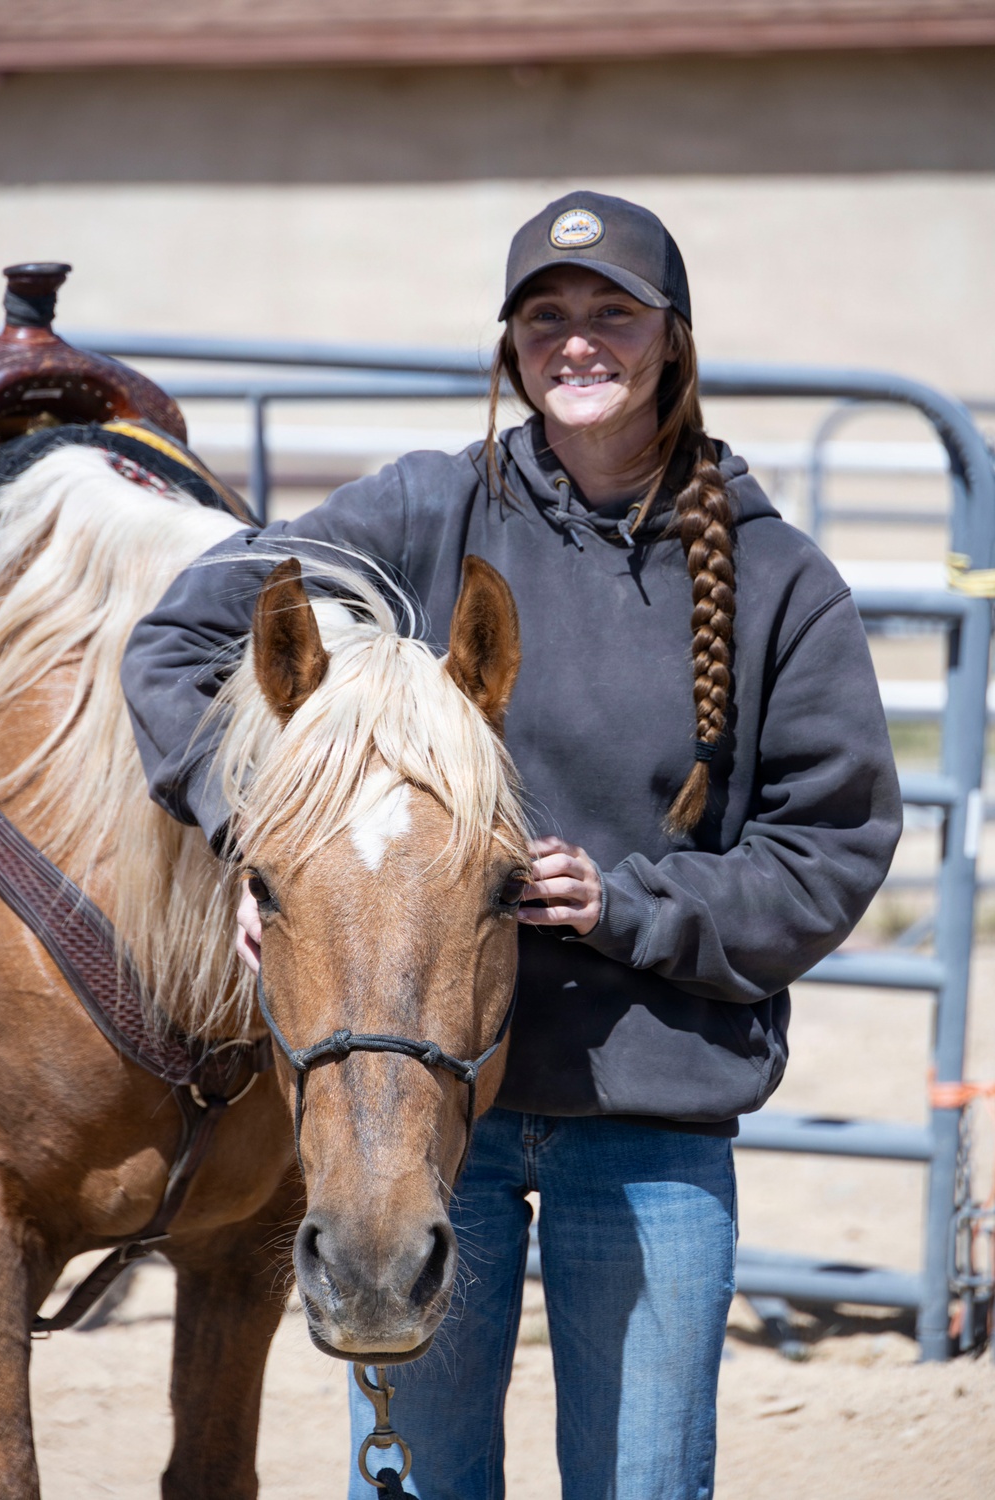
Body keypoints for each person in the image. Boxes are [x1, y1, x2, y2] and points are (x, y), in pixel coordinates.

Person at [121, 192, 902, 1499]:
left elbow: (829, 847)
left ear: (673, 339)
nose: (578, 342)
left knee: (642, 1487)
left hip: (650, 1111)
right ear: (511, 348)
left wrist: (630, 904)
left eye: (613, 313)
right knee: (423, 1485)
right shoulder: (428, 512)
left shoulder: (777, 583)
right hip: (420, 1123)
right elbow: (182, 642)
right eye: (547, 317)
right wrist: (263, 845)